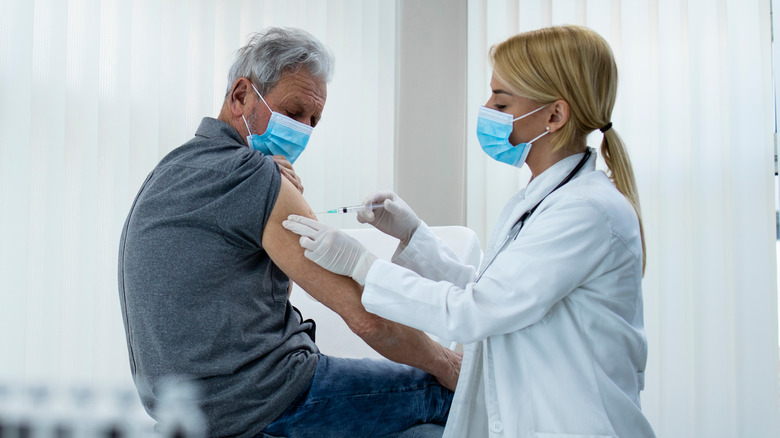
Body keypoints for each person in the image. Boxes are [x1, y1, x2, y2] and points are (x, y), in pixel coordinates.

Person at [284, 25, 656, 437]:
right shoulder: (539, 201)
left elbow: (476, 311)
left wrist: (361, 264)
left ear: (554, 115)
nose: (486, 109)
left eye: (500, 101)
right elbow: (495, 292)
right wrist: (413, 236)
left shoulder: (585, 212)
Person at [117, 27, 460, 438]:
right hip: (266, 402)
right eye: (295, 111)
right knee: (457, 398)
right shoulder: (254, 176)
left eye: (313, 120)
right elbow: (367, 319)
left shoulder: (170, 171)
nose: (305, 130)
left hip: (189, 413)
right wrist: (450, 366)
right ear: (241, 95)